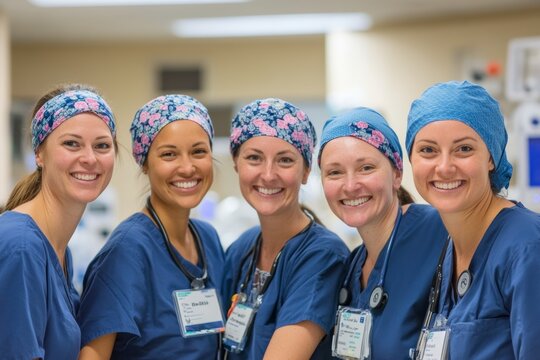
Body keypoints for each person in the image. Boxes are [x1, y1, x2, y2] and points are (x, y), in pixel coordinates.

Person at [77, 94, 225, 359]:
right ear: (144, 163)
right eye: (169, 154)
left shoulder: (208, 239)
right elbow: (92, 354)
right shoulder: (128, 250)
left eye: (198, 151)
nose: (188, 167)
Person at [406, 80, 540, 359]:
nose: (444, 167)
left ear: (491, 157)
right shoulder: (450, 247)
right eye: (428, 150)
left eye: (464, 149)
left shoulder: (526, 246)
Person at [222, 98, 350, 359]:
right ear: (236, 164)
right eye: (254, 158)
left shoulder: (322, 256)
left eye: (285, 160)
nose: (268, 175)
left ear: (305, 171)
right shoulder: (242, 249)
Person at [318, 107, 448, 360]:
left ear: (397, 174)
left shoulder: (438, 230)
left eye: (366, 168)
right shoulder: (352, 266)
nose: (350, 185)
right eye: (334, 172)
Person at [0, 84, 117, 359]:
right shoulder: (22, 246)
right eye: (71, 144)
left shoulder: (58, 249)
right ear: (39, 154)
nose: (89, 158)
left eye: (102, 145)